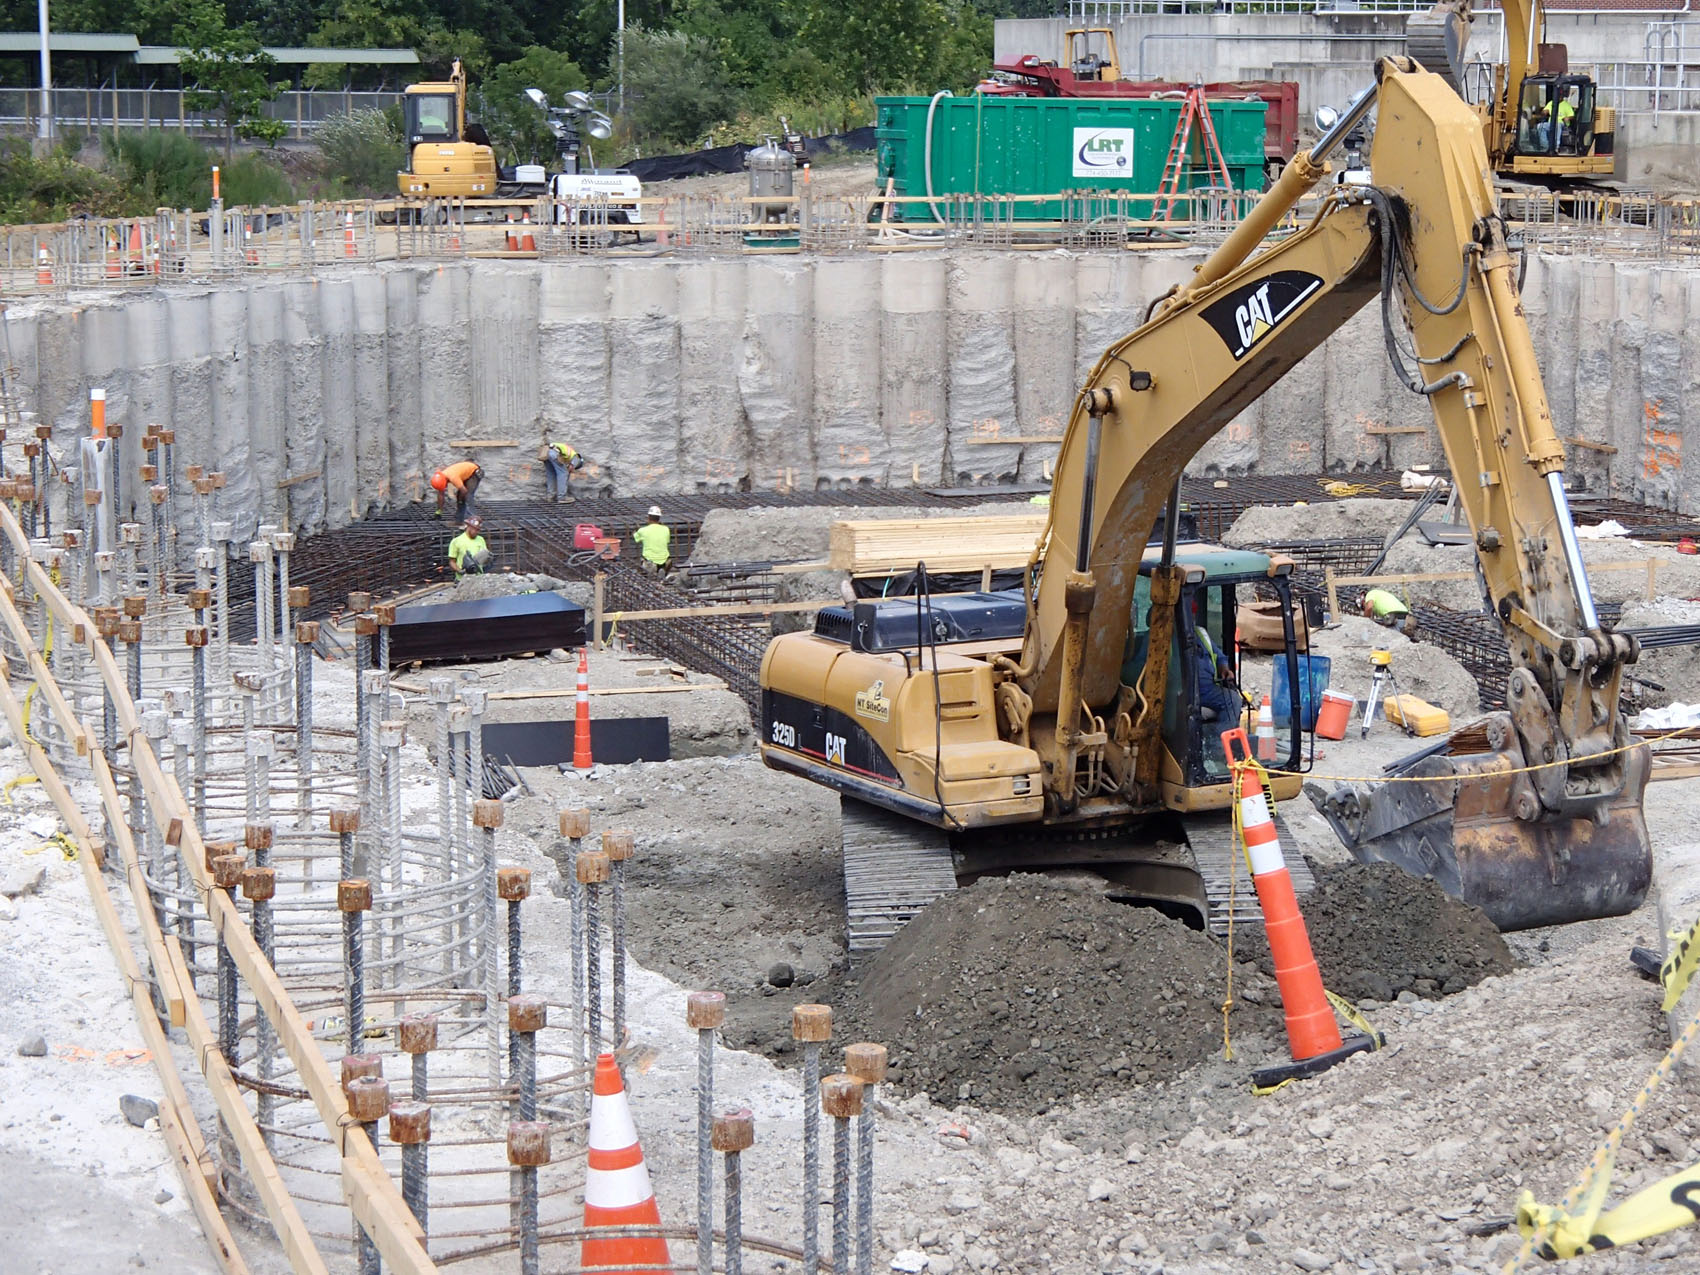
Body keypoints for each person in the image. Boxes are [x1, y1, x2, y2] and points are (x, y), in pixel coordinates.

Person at [1193, 622, 1237, 722]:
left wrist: (1224, 668)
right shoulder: (1161, 639)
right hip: (1179, 693)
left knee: (1233, 699)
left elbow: (1220, 657)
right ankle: (1223, 735)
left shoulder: (1200, 634)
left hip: (1207, 691)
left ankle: (1221, 735)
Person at [632, 505, 671, 573]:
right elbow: (667, 541)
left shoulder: (642, 530)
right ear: (659, 518)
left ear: (649, 517)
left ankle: (650, 571)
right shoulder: (666, 529)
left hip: (649, 560)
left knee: (644, 564)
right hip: (664, 560)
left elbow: (636, 538)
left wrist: (636, 530)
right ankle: (661, 571)